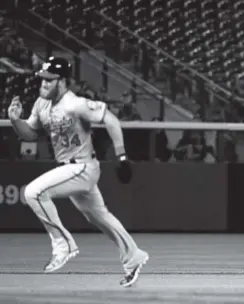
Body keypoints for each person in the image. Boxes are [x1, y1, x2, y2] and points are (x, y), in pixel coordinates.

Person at [7, 56, 149, 287]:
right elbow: (31, 133)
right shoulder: (41, 104)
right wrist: (15, 120)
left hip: (83, 166)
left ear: (62, 81)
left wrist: (122, 156)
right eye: (42, 79)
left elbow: (111, 120)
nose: (43, 84)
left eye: (49, 80)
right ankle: (133, 257)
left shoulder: (75, 103)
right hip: (69, 168)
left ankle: (63, 244)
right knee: (100, 217)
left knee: (33, 192)